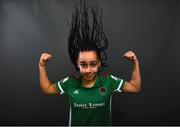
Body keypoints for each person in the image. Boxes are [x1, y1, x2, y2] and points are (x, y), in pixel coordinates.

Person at [39, 0, 141, 126]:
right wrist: (42, 66)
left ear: (99, 63)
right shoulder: (70, 83)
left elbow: (135, 87)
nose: (88, 70)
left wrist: (135, 64)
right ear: (77, 63)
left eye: (93, 64)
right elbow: (47, 89)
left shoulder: (109, 81)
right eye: (83, 65)